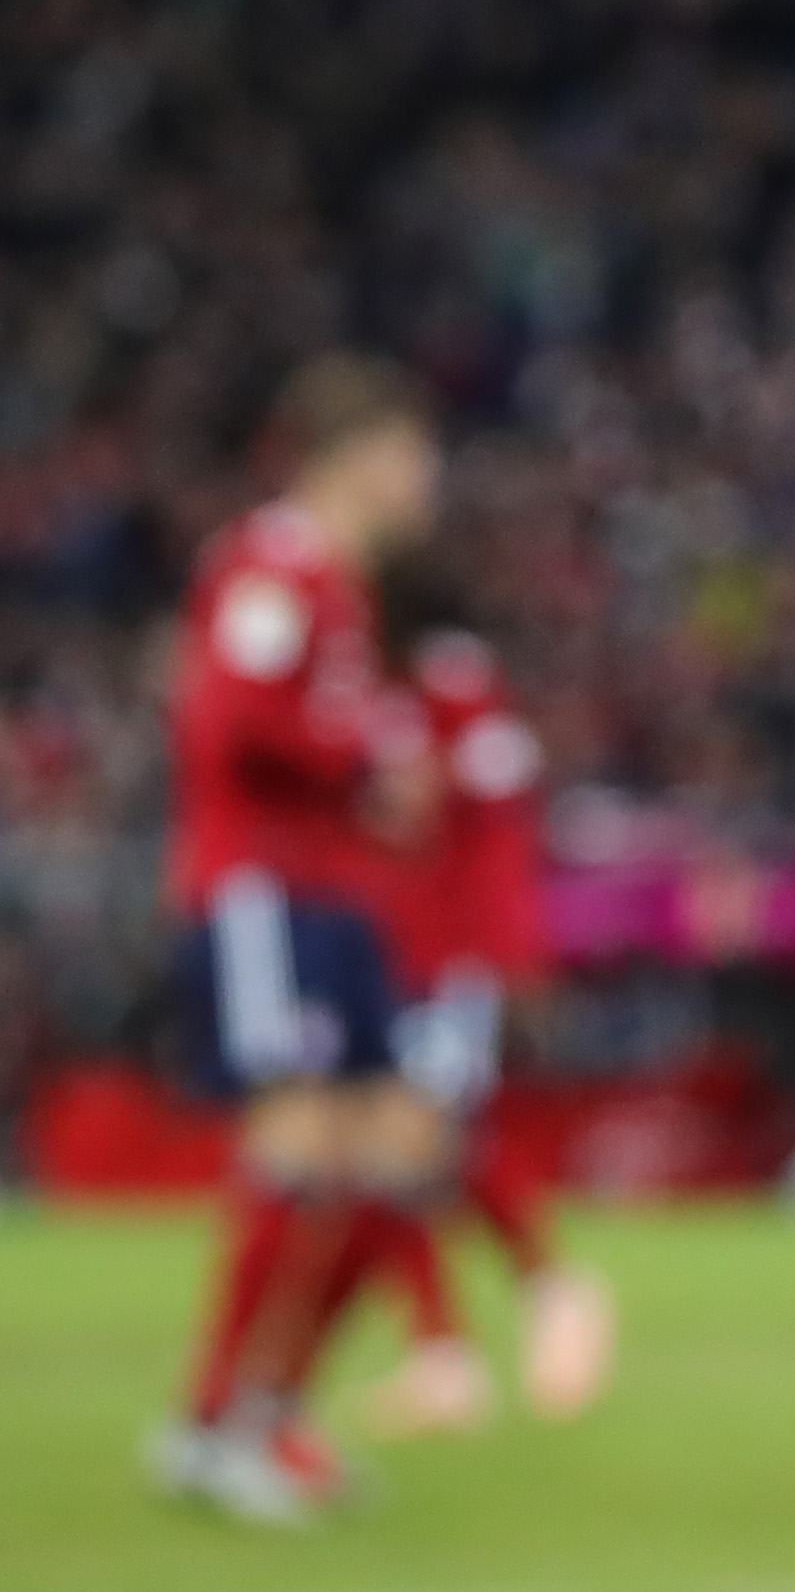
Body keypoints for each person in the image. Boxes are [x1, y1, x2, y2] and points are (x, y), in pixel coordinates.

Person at [146, 355, 445, 1526]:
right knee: (299, 1140)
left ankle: (268, 1410)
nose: (425, 477)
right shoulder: (273, 564)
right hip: (264, 889)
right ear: (351, 453)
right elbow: (230, 719)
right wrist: (368, 760)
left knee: (400, 1153)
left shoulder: (339, 583)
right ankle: (215, 1422)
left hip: (336, 892)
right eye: (410, 452)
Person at [350, 583, 617, 1436]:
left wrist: (510, 948)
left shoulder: (451, 684)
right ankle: (450, 1350)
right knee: (392, 1146)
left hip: (441, 951)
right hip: (376, 942)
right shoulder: (370, 680)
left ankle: (542, 1290)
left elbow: (497, 826)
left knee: (424, 1134)